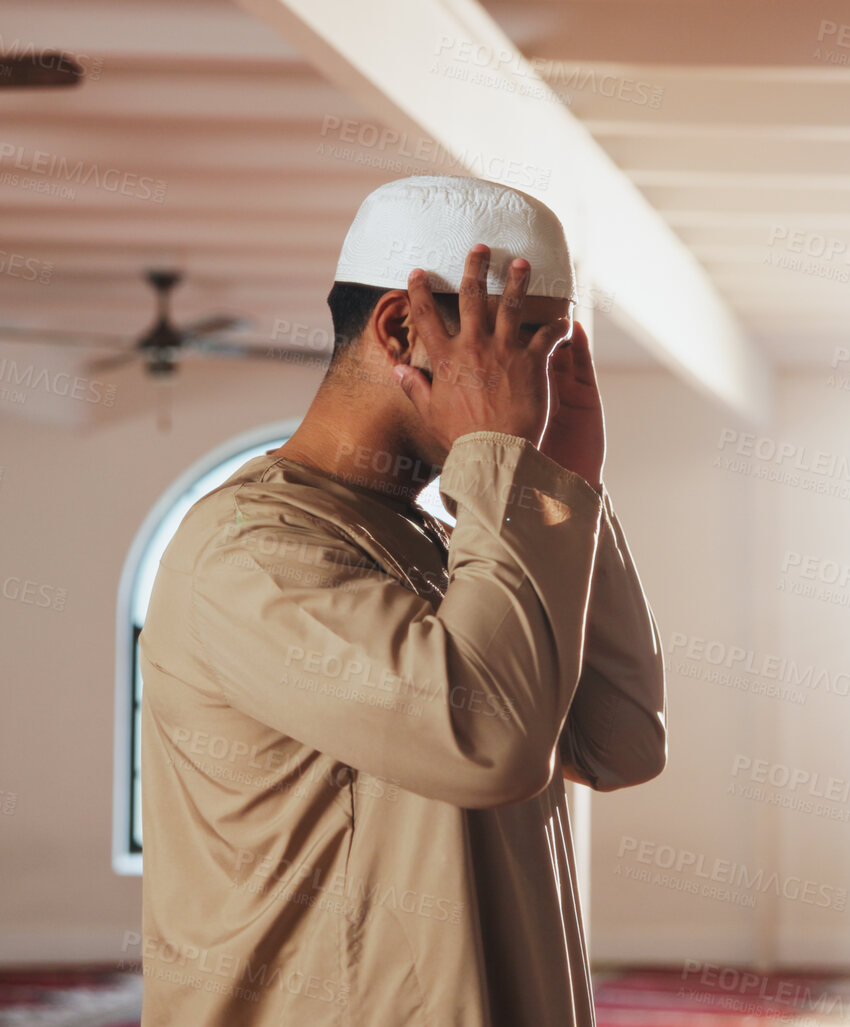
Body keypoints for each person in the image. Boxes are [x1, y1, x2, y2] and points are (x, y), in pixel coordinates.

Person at [138, 174, 667, 1026]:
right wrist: (503, 464)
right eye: (520, 346)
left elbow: (619, 742)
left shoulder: (436, 538)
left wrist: (562, 487)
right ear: (400, 330)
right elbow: (487, 740)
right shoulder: (254, 553)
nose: (536, 388)